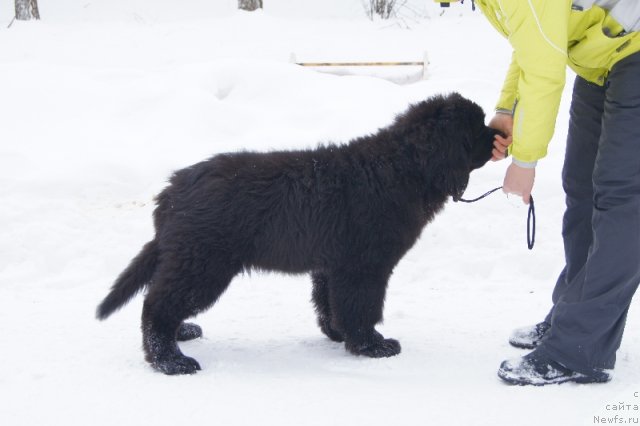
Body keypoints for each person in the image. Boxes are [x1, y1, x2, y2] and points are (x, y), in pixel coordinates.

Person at [437, 0, 640, 385]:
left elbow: (545, 73)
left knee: (622, 202)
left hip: (632, 50)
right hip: (604, 56)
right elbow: (537, 44)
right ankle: (573, 318)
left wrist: (525, 164)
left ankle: (578, 349)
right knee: (582, 188)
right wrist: (507, 107)